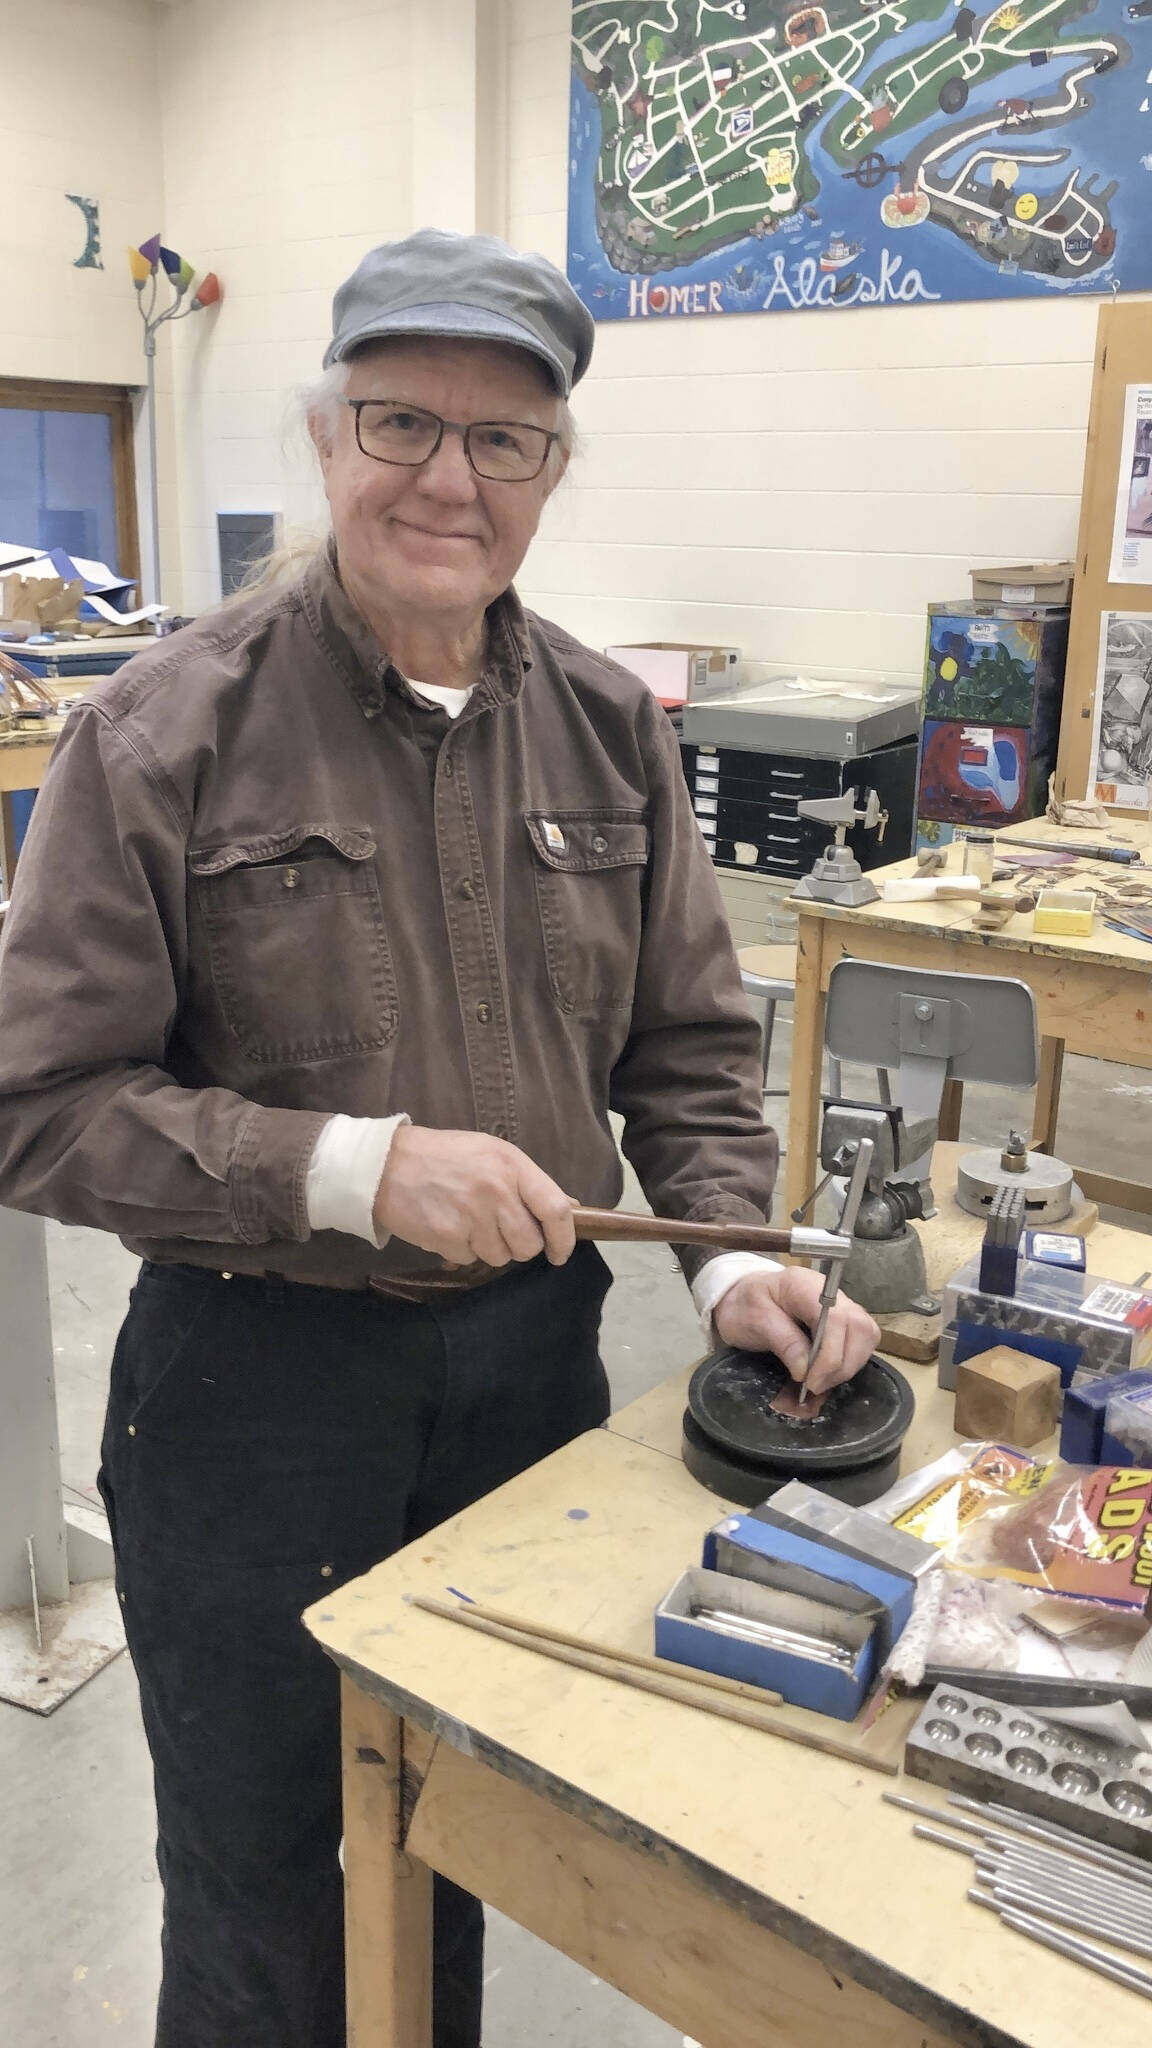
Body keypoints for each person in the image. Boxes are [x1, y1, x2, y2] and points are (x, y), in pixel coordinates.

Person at [0, 228, 879, 2048]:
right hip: (251, 1393)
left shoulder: (611, 731)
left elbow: (690, 1047)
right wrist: (351, 1167)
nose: (448, 480)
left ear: (553, 470)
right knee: (259, 1883)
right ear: (327, 436)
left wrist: (731, 1261)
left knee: (456, 1832)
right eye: (403, 421)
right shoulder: (164, 733)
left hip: (529, 1383)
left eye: (504, 439)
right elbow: (39, 1104)